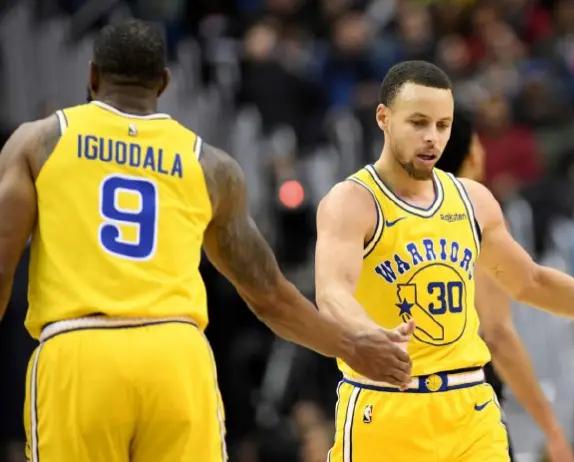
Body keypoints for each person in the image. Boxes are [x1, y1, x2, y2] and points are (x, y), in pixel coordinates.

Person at [0, 20, 413, 461]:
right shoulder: (209, 165)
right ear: (164, 83)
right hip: (176, 356)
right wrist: (352, 347)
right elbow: (270, 297)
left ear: (92, 75)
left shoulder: (40, 142)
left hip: (79, 350)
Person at [315, 60, 574, 462]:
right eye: (418, 123)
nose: (431, 138)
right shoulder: (353, 201)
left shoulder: (473, 201)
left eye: (442, 125)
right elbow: (332, 292)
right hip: (387, 405)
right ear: (384, 118)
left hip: (470, 407)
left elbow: (531, 282)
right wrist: (368, 332)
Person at [436, 110, 574, 462]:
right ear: (470, 154)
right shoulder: (471, 218)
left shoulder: (391, 216)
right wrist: (552, 429)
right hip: (467, 411)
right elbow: (497, 334)